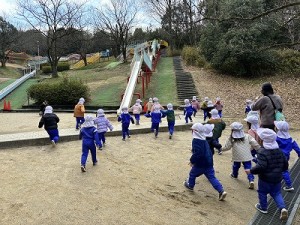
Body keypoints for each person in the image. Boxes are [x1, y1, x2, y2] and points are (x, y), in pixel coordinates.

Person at [249, 128, 288, 221]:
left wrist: (252, 170)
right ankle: (282, 208)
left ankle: (263, 207)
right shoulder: (279, 151)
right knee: (276, 193)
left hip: (265, 179)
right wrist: (281, 171)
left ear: (262, 140)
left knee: (262, 192)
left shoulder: (262, 152)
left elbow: (261, 166)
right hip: (277, 178)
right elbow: (285, 164)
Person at [183, 123, 227, 201]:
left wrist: (192, 160)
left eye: (192, 130)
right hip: (209, 163)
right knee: (212, 177)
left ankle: (190, 185)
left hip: (200, 164)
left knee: (192, 174)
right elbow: (208, 151)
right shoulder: (204, 139)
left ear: (195, 131)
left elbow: (198, 153)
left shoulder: (196, 140)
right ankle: (221, 191)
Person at [222, 122, 260, 189]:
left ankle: (235, 174)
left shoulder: (232, 138)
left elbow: (227, 147)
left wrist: (221, 149)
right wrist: (259, 149)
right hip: (247, 155)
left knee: (236, 166)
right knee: (248, 167)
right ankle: (251, 180)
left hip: (237, 156)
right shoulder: (247, 136)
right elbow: (255, 143)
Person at [274, 121, 300, 192]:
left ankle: (289, 185)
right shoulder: (291, 140)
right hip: (286, 157)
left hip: (277, 157)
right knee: (284, 169)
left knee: (281, 171)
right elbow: (297, 149)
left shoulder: (276, 139)